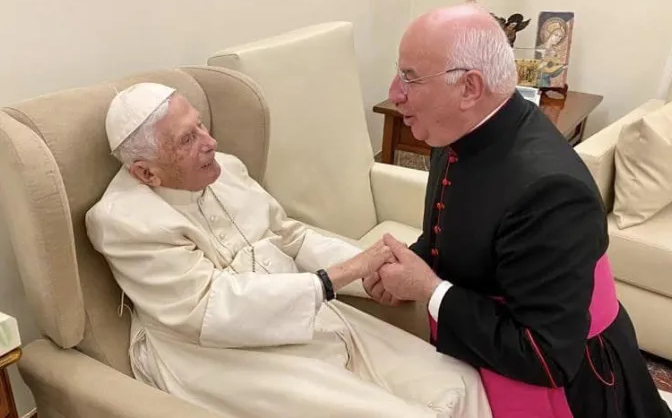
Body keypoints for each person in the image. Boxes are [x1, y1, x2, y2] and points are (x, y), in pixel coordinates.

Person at [85, 82, 492, 418]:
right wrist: (339, 277)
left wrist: (373, 271)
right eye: (188, 139)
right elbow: (209, 309)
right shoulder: (123, 221)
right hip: (217, 356)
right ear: (145, 172)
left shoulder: (224, 168)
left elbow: (291, 236)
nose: (210, 143)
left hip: (303, 307)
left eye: (202, 126)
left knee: (459, 382)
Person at [363, 4, 672, 418]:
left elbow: (548, 358)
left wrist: (428, 290)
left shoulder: (551, 191)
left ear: (470, 88)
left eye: (411, 78)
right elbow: (465, 237)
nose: (394, 92)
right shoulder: (454, 130)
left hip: (567, 390)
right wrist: (410, 261)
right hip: (485, 352)